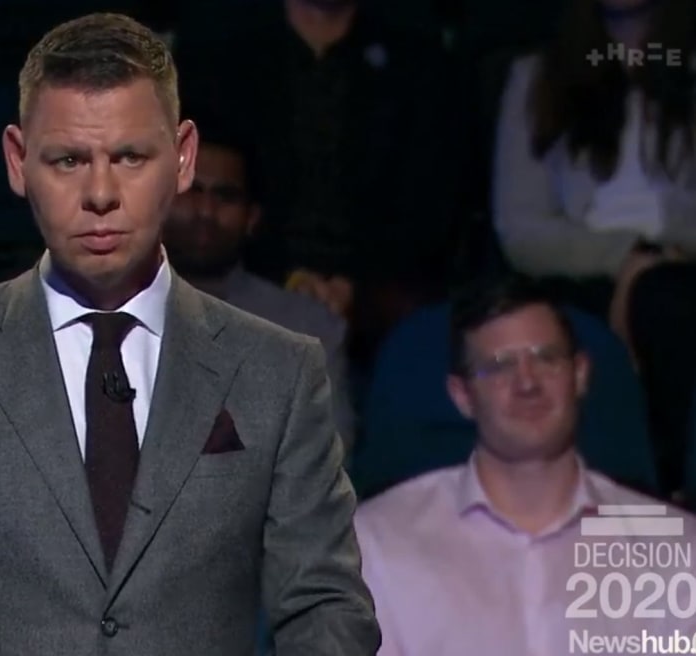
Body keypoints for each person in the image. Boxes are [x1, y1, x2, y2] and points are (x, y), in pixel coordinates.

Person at [0, 13, 380, 656]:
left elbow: (326, 606)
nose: (101, 193)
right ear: (19, 162)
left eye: (131, 157)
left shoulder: (280, 371)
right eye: (68, 160)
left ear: (183, 157)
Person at [355, 275, 696, 655]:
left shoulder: (674, 544)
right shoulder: (379, 542)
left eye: (546, 358)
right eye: (499, 367)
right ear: (462, 396)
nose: (527, 383)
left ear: (580, 374)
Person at [173, 0, 466, 373]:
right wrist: (285, 279)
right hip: (246, 272)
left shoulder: (421, 63)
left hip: (384, 290)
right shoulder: (220, 53)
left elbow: (436, 202)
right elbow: (209, 179)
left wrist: (355, 287)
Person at [493, 0, 696, 494]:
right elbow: (520, 231)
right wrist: (628, 258)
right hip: (577, 276)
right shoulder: (538, 77)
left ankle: (667, 498)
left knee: (669, 301)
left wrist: (659, 254)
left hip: (683, 270)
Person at [162, 112, 355, 457]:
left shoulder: (307, 331)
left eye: (225, 196)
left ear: (251, 219)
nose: (206, 210)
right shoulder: (94, 311)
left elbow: (325, 468)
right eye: (191, 190)